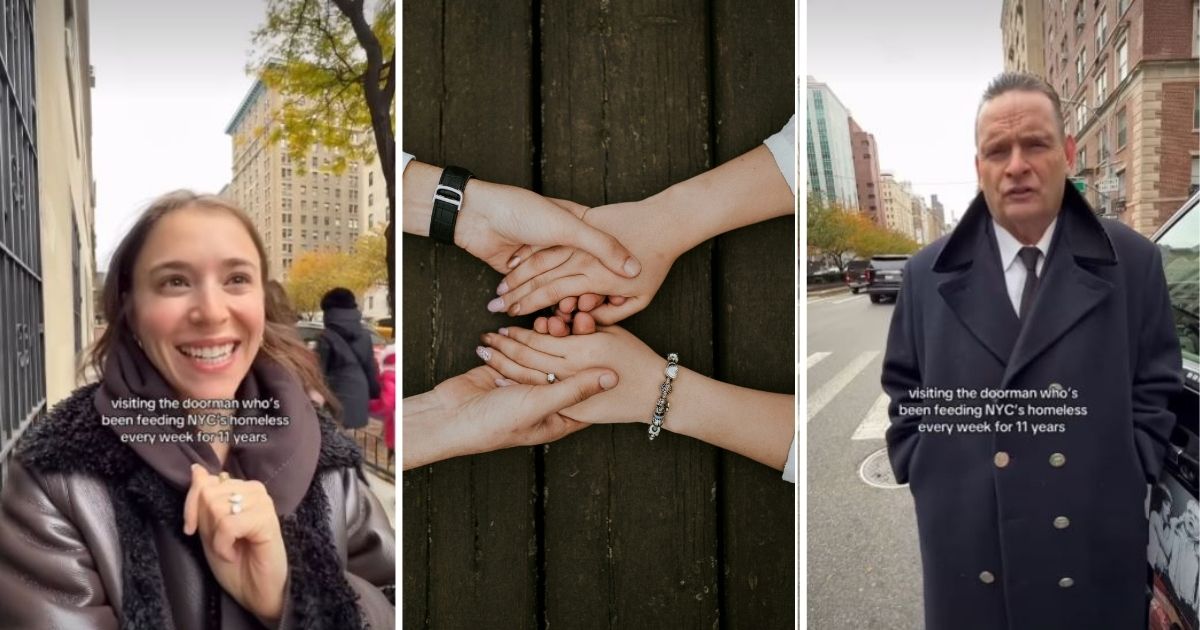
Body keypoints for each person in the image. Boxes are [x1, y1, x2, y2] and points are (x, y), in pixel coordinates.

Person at [0, 191, 394, 628]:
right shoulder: (56, 479)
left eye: (236, 280)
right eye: (174, 282)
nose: (211, 312)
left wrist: (288, 595)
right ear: (130, 307)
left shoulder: (328, 458)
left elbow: (392, 599)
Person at [881, 72, 1181, 630]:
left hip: (1090, 546)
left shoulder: (1134, 262)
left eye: (1035, 144)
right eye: (998, 150)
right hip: (971, 553)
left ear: (1067, 153)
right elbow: (904, 388)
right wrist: (926, 467)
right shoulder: (926, 274)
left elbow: (1156, 382)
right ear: (980, 168)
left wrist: (1130, 461)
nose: (1016, 164)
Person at [318, 287, 381, 430]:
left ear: (328, 312)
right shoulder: (365, 335)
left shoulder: (325, 337)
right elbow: (370, 369)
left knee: (336, 443)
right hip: (360, 398)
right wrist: (374, 393)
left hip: (335, 401)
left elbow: (319, 374)